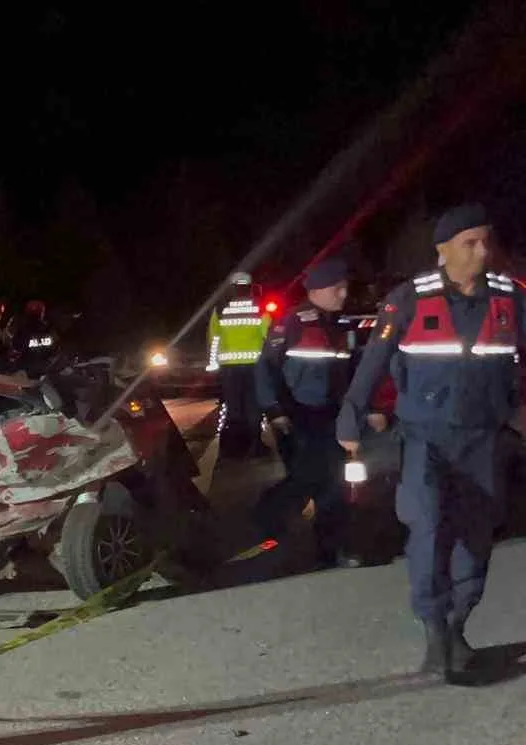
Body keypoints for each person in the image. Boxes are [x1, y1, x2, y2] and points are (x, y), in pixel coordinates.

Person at [337, 203, 522, 680]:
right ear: (443, 249)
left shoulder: (508, 297)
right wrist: (351, 420)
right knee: (429, 525)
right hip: (425, 439)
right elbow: (373, 362)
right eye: (470, 242)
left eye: (487, 241)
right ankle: (434, 628)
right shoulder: (410, 299)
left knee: (477, 535)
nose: (482, 251)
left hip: (483, 439)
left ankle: (458, 624)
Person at [254, 257, 360, 569]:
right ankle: (268, 515)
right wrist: (274, 410)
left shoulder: (341, 325)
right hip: (298, 417)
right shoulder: (293, 322)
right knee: (309, 479)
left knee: (334, 483)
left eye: (345, 288)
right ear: (318, 289)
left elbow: (352, 370)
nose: (344, 294)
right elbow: (266, 368)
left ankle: (329, 553)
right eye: (338, 288)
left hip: (332, 416)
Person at [208, 273, 272, 459]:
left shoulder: (220, 308)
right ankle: (255, 445)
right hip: (255, 365)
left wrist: (213, 364)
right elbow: (267, 335)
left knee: (233, 406)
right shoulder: (259, 307)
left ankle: (234, 448)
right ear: (251, 287)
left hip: (229, 367)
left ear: (232, 288)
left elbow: (214, 338)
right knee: (254, 405)